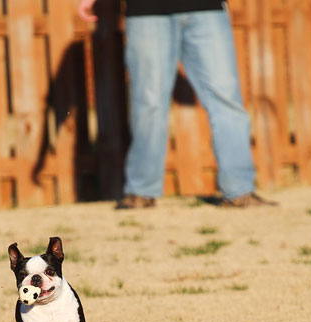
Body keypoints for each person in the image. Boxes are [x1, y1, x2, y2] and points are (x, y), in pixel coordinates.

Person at [77, 0, 277, 209]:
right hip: (146, 11)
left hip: (207, 8)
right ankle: (142, 191)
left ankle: (240, 190)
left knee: (226, 99)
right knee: (149, 103)